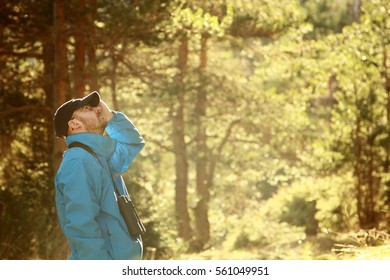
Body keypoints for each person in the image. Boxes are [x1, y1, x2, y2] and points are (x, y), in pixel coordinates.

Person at [53, 91, 145, 260]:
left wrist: (110, 117)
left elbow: (133, 143)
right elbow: (82, 227)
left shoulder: (99, 158)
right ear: (74, 124)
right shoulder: (78, 162)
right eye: (88, 108)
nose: (97, 109)